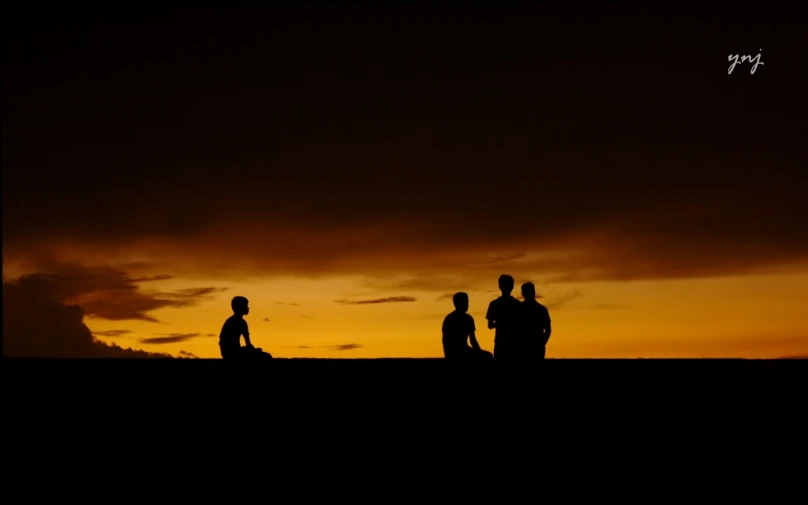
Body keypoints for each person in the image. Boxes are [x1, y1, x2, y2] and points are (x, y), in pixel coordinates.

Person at [442, 292, 493, 361]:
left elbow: (445, 340)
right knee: (488, 356)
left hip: (452, 352)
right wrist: (479, 352)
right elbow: (473, 341)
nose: (467, 304)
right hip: (460, 351)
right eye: (465, 302)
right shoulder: (467, 318)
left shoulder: (448, 318)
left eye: (467, 302)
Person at [219, 296, 273, 361]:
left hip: (228, 352)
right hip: (233, 353)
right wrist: (254, 350)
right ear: (239, 307)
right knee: (267, 356)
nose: (248, 308)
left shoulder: (231, 320)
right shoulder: (241, 322)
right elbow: (248, 344)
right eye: (246, 305)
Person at [486, 274, 523, 361]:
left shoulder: (494, 304)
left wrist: (499, 323)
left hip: (504, 342)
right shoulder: (518, 304)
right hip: (512, 342)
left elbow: (490, 325)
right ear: (512, 286)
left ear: (499, 286)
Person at [519, 282, 552, 359]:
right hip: (523, 346)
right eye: (528, 291)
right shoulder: (518, 309)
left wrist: (542, 342)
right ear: (523, 293)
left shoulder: (542, 309)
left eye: (531, 291)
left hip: (536, 346)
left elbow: (548, 329)